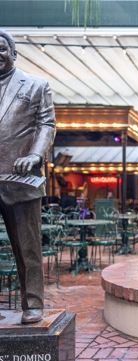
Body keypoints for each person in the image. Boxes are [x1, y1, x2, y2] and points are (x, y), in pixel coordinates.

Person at [0, 29, 56, 323]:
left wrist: (35, 155)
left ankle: (32, 304)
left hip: (20, 179)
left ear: (13, 52)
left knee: (27, 247)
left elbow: (47, 124)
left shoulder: (35, 85)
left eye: (1, 49)